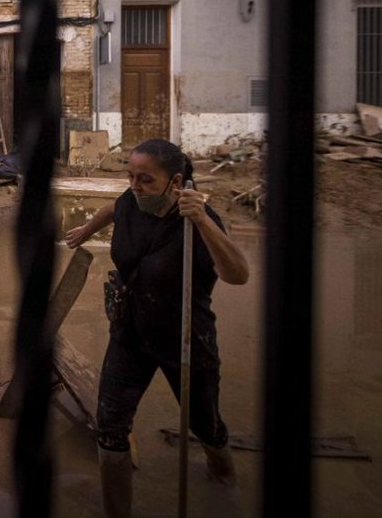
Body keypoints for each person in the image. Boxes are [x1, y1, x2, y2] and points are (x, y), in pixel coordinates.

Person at [64, 138, 249, 518]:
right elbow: (112, 208)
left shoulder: (197, 219)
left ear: (175, 181)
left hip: (184, 336)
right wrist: (85, 230)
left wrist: (202, 220)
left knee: (204, 421)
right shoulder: (131, 201)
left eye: (146, 180)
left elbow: (238, 274)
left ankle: (223, 473)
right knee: (111, 424)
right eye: (130, 176)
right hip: (130, 329)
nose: (135, 186)